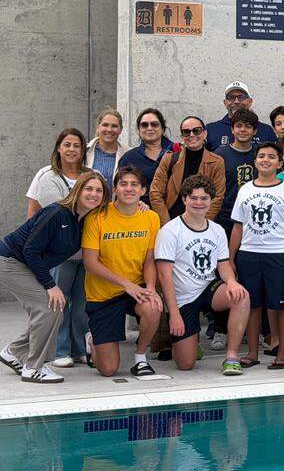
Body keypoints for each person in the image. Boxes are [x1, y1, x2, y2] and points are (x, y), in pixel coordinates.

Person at [0, 172, 107, 383]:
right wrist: (50, 285)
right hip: (9, 261)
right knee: (50, 306)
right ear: (78, 190)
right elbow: (30, 249)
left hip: (26, 265)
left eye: (99, 190)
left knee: (52, 308)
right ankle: (34, 368)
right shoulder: (57, 212)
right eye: (89, 188)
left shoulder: (85, 219)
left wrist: (141, 205)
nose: (93, 194)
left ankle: (14, 352)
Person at [155, 176, 250, 374]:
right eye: (193, 198)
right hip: (182, 298)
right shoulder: (170, 231)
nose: (199, 202)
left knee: (241, 296)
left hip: (208, 289)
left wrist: (231, 281)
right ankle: (189, 342)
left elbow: (223, 264)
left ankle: (232, 356)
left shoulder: (217, 230)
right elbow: (164, 276)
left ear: (211, 200)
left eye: (204, 198)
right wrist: (174, 314)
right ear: (184, 199)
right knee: (186, 364)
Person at [229, 142, 284, 369]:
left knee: (281, 305)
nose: (265, 160)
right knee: (251, 305)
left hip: (280, 254)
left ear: (279, 163)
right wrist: (231, 258)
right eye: (261, 156)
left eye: (271, 156)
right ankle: (252, 352)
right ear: (255, 162)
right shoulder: (245, 190)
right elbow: (238, 227)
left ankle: (283, 351)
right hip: (249, 254)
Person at [81, 166, 163, 377]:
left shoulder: (151, 217)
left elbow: (149, 260)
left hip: (136, 289)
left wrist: (151, 288)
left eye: (134, 184)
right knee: (108, 370)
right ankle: (92, 339)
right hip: (104, 294)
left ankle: (140, 357)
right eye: (123, 184)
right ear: (115, 189)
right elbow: (90, 263)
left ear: (143, 190)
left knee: (153, 306)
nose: (129, 188)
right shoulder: (97, 217)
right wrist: (126, 284)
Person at [27, 129, 90, 368]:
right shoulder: (47, 176)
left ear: (83, 150)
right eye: (67, 145)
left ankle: (79, 348)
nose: (72, 149)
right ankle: (60, 350)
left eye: (77, 145)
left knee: (81, 305)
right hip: (59, 254)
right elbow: (45, 213)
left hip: (86, 251)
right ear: (59, 148)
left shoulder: (90, 175)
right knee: (59, 303)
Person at [150, 116, 227, 225]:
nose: (191, 135)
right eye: (186, 132)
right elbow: (155, 193)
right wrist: (167, 224)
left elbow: (217, 198)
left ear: (204, 134)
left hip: (200, 223)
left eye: (196, 130)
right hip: (172, 221)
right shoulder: (169, 159)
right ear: (182, 136)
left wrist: (201, 225)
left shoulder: (216, 162)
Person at [214, 109, 261, 234]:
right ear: (232, 129)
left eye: (248, 126)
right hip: (226, 217)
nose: (243, 130)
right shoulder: (220, 154)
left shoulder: (261, 153)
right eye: (238, 126)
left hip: (254, 215)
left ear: (255, 131)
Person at [119, 109, 176, 204]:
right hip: (140, 210)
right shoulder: (129, 158)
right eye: (144, 125)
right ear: (138, 130)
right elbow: (122, 189)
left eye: (154, 124)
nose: (149, 128)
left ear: (162, 129)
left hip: (175, 210)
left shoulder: (178, 152)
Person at [205, 82, 276, 151]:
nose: (236, 101)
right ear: (225, 102)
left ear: (250, 101)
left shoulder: (266, 130)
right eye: (231, 97)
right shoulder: (211, 129)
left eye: (241, 97)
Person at [85, 108, 128, 182]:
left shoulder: (128, 154)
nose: (109, 130)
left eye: (114, 126)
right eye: (105, 125)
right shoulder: (84, 151)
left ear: (121, 129)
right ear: (98, 127)